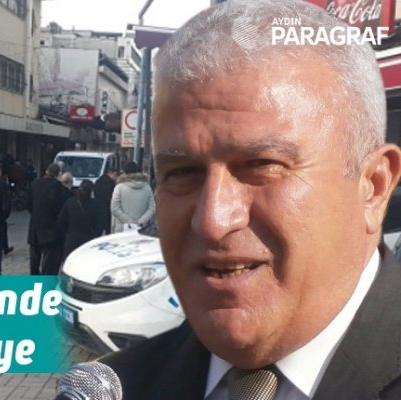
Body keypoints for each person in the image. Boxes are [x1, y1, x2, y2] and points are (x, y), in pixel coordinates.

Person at [100, 1, 401, 399]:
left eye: (262, 165)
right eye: (183, 172)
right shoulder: (121, 385)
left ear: (373, 187)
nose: (212, 220)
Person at [26, 163, 66, 275]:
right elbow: (59, 206)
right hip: (50, 227)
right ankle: (45, 279)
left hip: (35, 226)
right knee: (48, 257)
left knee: (35, 257)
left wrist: (35, 213)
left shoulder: (35, 183)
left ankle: (34, 278)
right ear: (58, 174)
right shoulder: (57, 186)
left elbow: (28, 203)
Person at [58, 179, 101, 261]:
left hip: (71, 240)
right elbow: (99, 224)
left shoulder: (70, 202)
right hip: (88, 241)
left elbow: (62, 221)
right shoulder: (95, 204)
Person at [110, 161, 155, 233]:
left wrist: (129, 222)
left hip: (121, 228)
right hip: (141, 228)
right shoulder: (147, 187)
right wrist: (141, 221)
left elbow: (114, 208)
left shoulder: (119, 187)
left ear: (124, 172)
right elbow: (152, 208)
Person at [94, 166, 119, 235]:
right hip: (108, 210)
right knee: (108, 231)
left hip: (98, 209)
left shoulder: (98, 181)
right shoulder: (111, 184)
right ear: (114, 174)